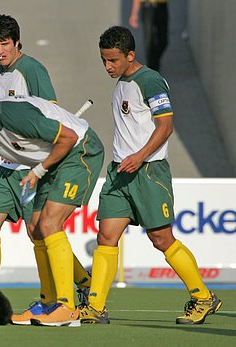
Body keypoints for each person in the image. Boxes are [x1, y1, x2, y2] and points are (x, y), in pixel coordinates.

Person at [0, 14, 93, 324]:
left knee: (39, 229)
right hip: (2, 164)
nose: (0, 51)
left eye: (4, 44)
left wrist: (40, 168)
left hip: (33, 163)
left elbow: (46, 115)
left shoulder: (33, 70)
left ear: (17, 42)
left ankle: (74, 285)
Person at [79, 26, 222, 325]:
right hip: (120, 173)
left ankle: (203, 297)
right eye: (104, 60)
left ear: (130, 55)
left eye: (113, 60)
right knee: (106, 236)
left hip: (148, 172)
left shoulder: (151, 80)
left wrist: (140, 156)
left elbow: (166, 126)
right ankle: (96, 306)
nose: (108, 66)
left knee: (160, 238)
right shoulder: (121, 83)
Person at [129, 0, 168, 71]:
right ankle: (152, 67)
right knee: (149, 41)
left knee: (163, 41)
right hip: (148, 6)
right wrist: (134, 14)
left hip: (162, 6)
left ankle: (155, 62)